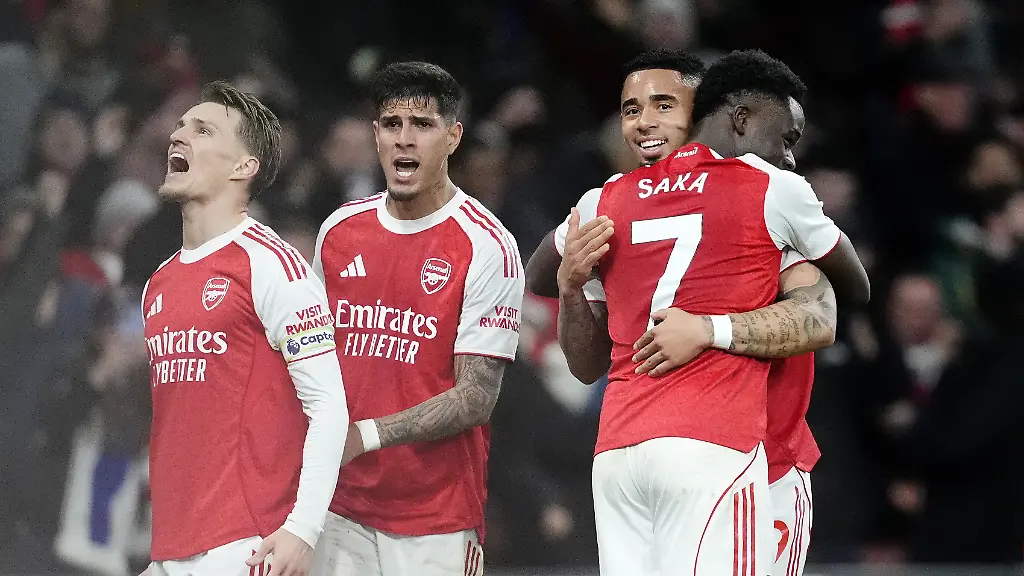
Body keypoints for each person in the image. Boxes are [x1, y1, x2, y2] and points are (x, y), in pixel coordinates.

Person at [525, 49, 868, 576]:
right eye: (632, 108)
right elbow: (830, 310)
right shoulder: (767, 193)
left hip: (632, 449)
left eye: (664, 104)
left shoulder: (607, 205)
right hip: (731, 450)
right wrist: (709, 328)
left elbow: (538, 275)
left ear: (698, 109)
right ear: (736, 116)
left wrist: (704, 328)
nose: (646, 121)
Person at [310, 62, 525, 576]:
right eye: (391, 124)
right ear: (376, 134)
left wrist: (366, 435)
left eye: (422, 125)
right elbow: (308, 359)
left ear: (453, 137)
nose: (404, 140)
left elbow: (476, 398)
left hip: (436, 520)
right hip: (336, 507)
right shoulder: (338, 232)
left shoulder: (488, 246)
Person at [140, 81, 349, 576]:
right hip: (169, 547)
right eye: (179, 126)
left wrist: (302, 529)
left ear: (243, 167)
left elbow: (329, 407)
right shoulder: (158, 282)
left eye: (203, 129)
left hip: (244, 546)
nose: (178, 137)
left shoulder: (272, 264)